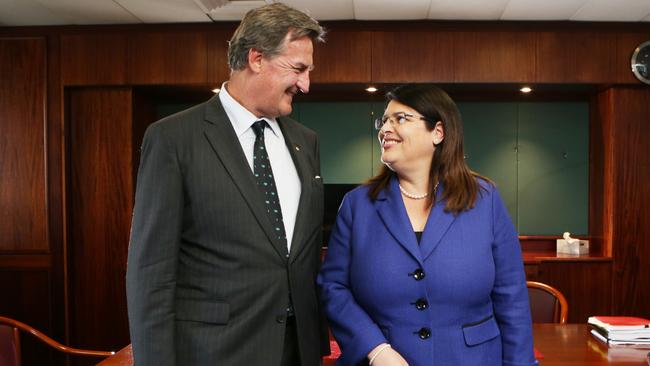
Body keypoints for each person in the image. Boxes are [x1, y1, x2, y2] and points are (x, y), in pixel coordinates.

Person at [126, 3, 328, 365]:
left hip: (297, 351)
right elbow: (151, 273)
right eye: (298, 68)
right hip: (214, 352)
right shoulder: (174, 138)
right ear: (256, 58)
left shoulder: (305, 141)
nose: (305, 84)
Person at [317, 84, 536, 366]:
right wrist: (376, 349)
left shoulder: (485, 200)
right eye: (383, 121)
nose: (385, 128)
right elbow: (333, 287)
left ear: (438, 132)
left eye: (401, 118)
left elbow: (512, 298)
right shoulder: (357, 205)